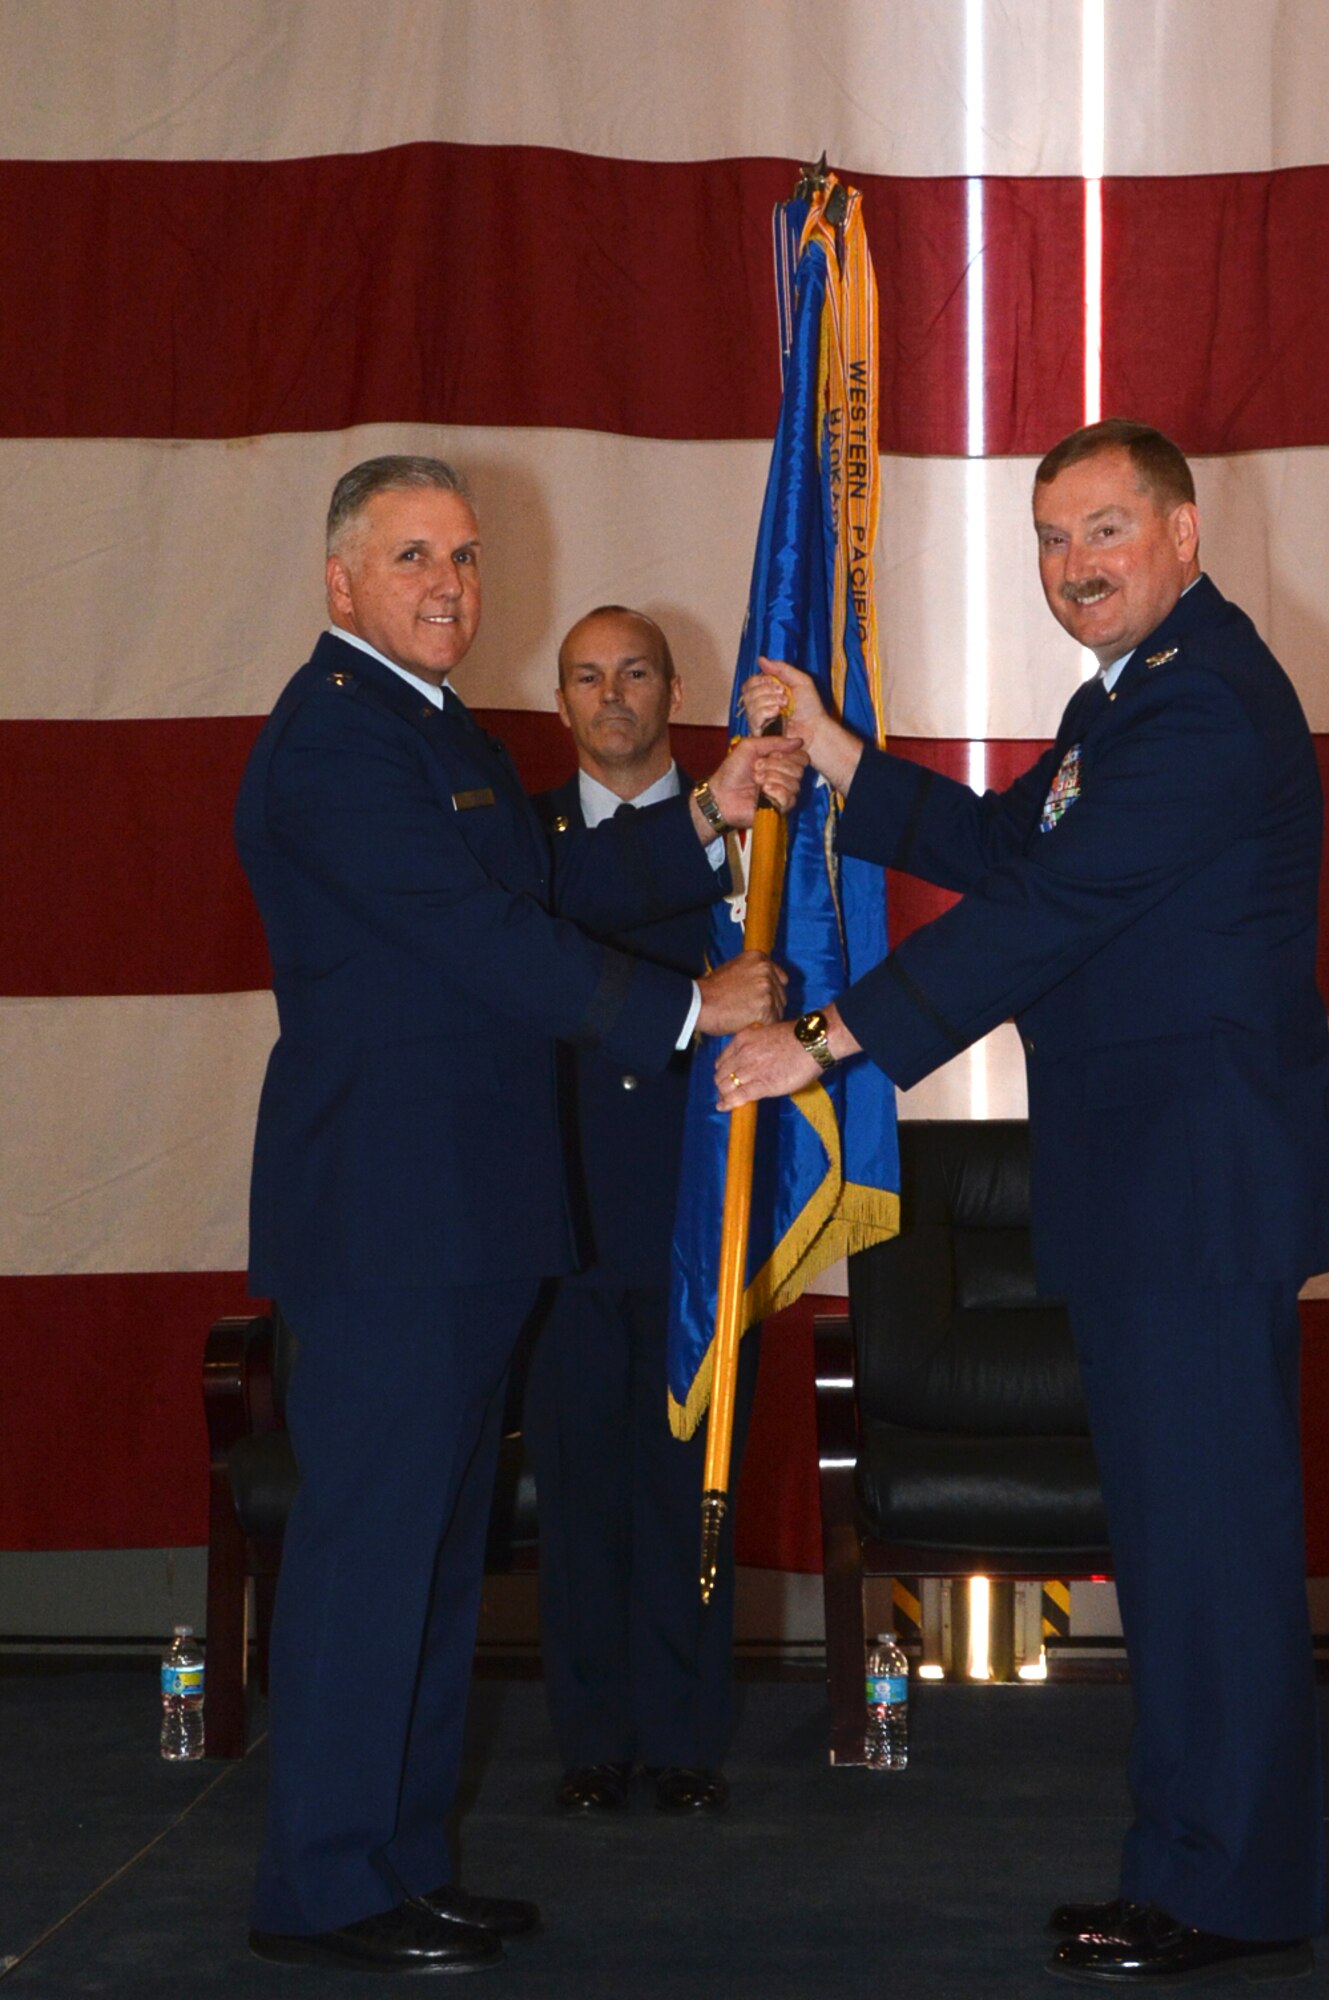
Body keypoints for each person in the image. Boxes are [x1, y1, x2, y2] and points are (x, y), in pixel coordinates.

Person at [721, 420, 1329, 1989]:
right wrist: (846, 757)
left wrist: (829, 1036)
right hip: (1153, 1196)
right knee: (1181, 1546)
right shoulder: (1122, 703)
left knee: (1210, 1556)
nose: (1076, 566)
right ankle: (1195, 1867)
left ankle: (1229, 1889)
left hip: (1197, 1199)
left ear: (1186, 536)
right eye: (1052, 540)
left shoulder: (1202, 705)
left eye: (1106, 531)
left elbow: (1053, 911)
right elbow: (1012, 847)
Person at [234, 457, 803, 1977]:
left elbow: (551, 888)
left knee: (429, 1564)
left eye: (467, 557)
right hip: (387, 1224)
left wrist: (703, 816)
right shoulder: (338, 745)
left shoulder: (439, 735)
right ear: (340, 582)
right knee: (371, 1563)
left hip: (469, 1221)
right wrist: (689, 1007)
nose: (449, 584)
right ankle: (327, 1886)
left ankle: (398, 1861)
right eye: (412, 556)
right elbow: (483, 939)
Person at [517, 605, 756, 1816]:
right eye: (585, 677)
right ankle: (593, 1745)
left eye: (635, 673)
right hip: (562, 1221)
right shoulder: (527, 845)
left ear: (674, 690)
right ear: (559, 703)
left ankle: (681, 1740)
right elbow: (558, 942)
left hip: (697, 1216)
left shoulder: (750, 846)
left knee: (687, 1491)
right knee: (583, 1495)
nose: (611, 696)